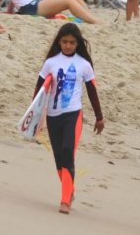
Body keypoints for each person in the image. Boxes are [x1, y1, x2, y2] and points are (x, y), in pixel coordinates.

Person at [33, 23, 104, 214]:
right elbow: (40, 91)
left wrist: (99, 117)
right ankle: (69, 189)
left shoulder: (84, 64)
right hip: (52, 115)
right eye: (64, 42)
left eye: (72, 42)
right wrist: (34, 116)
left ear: (77, 43)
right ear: (59, 42)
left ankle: (65, 200)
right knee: (58, 158)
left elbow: (92, 92)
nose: (68, 46)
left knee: (67, 151)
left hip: (73, 114)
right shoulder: (51, 62)